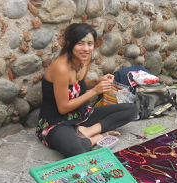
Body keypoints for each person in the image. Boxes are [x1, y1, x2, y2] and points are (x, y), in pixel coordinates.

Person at [36, 23, 138, 157]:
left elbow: (81, 84)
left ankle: (88, 131)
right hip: (57, 121)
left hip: (81, 114)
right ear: (69, 44)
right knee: (75, 149)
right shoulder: (61, 68)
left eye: (90, 44)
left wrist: (97, 81)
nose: (86, 49)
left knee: (132, 109)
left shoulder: (85, 58)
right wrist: (95, 91)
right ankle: (98, 136)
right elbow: (63, 108)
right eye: (80, 44)